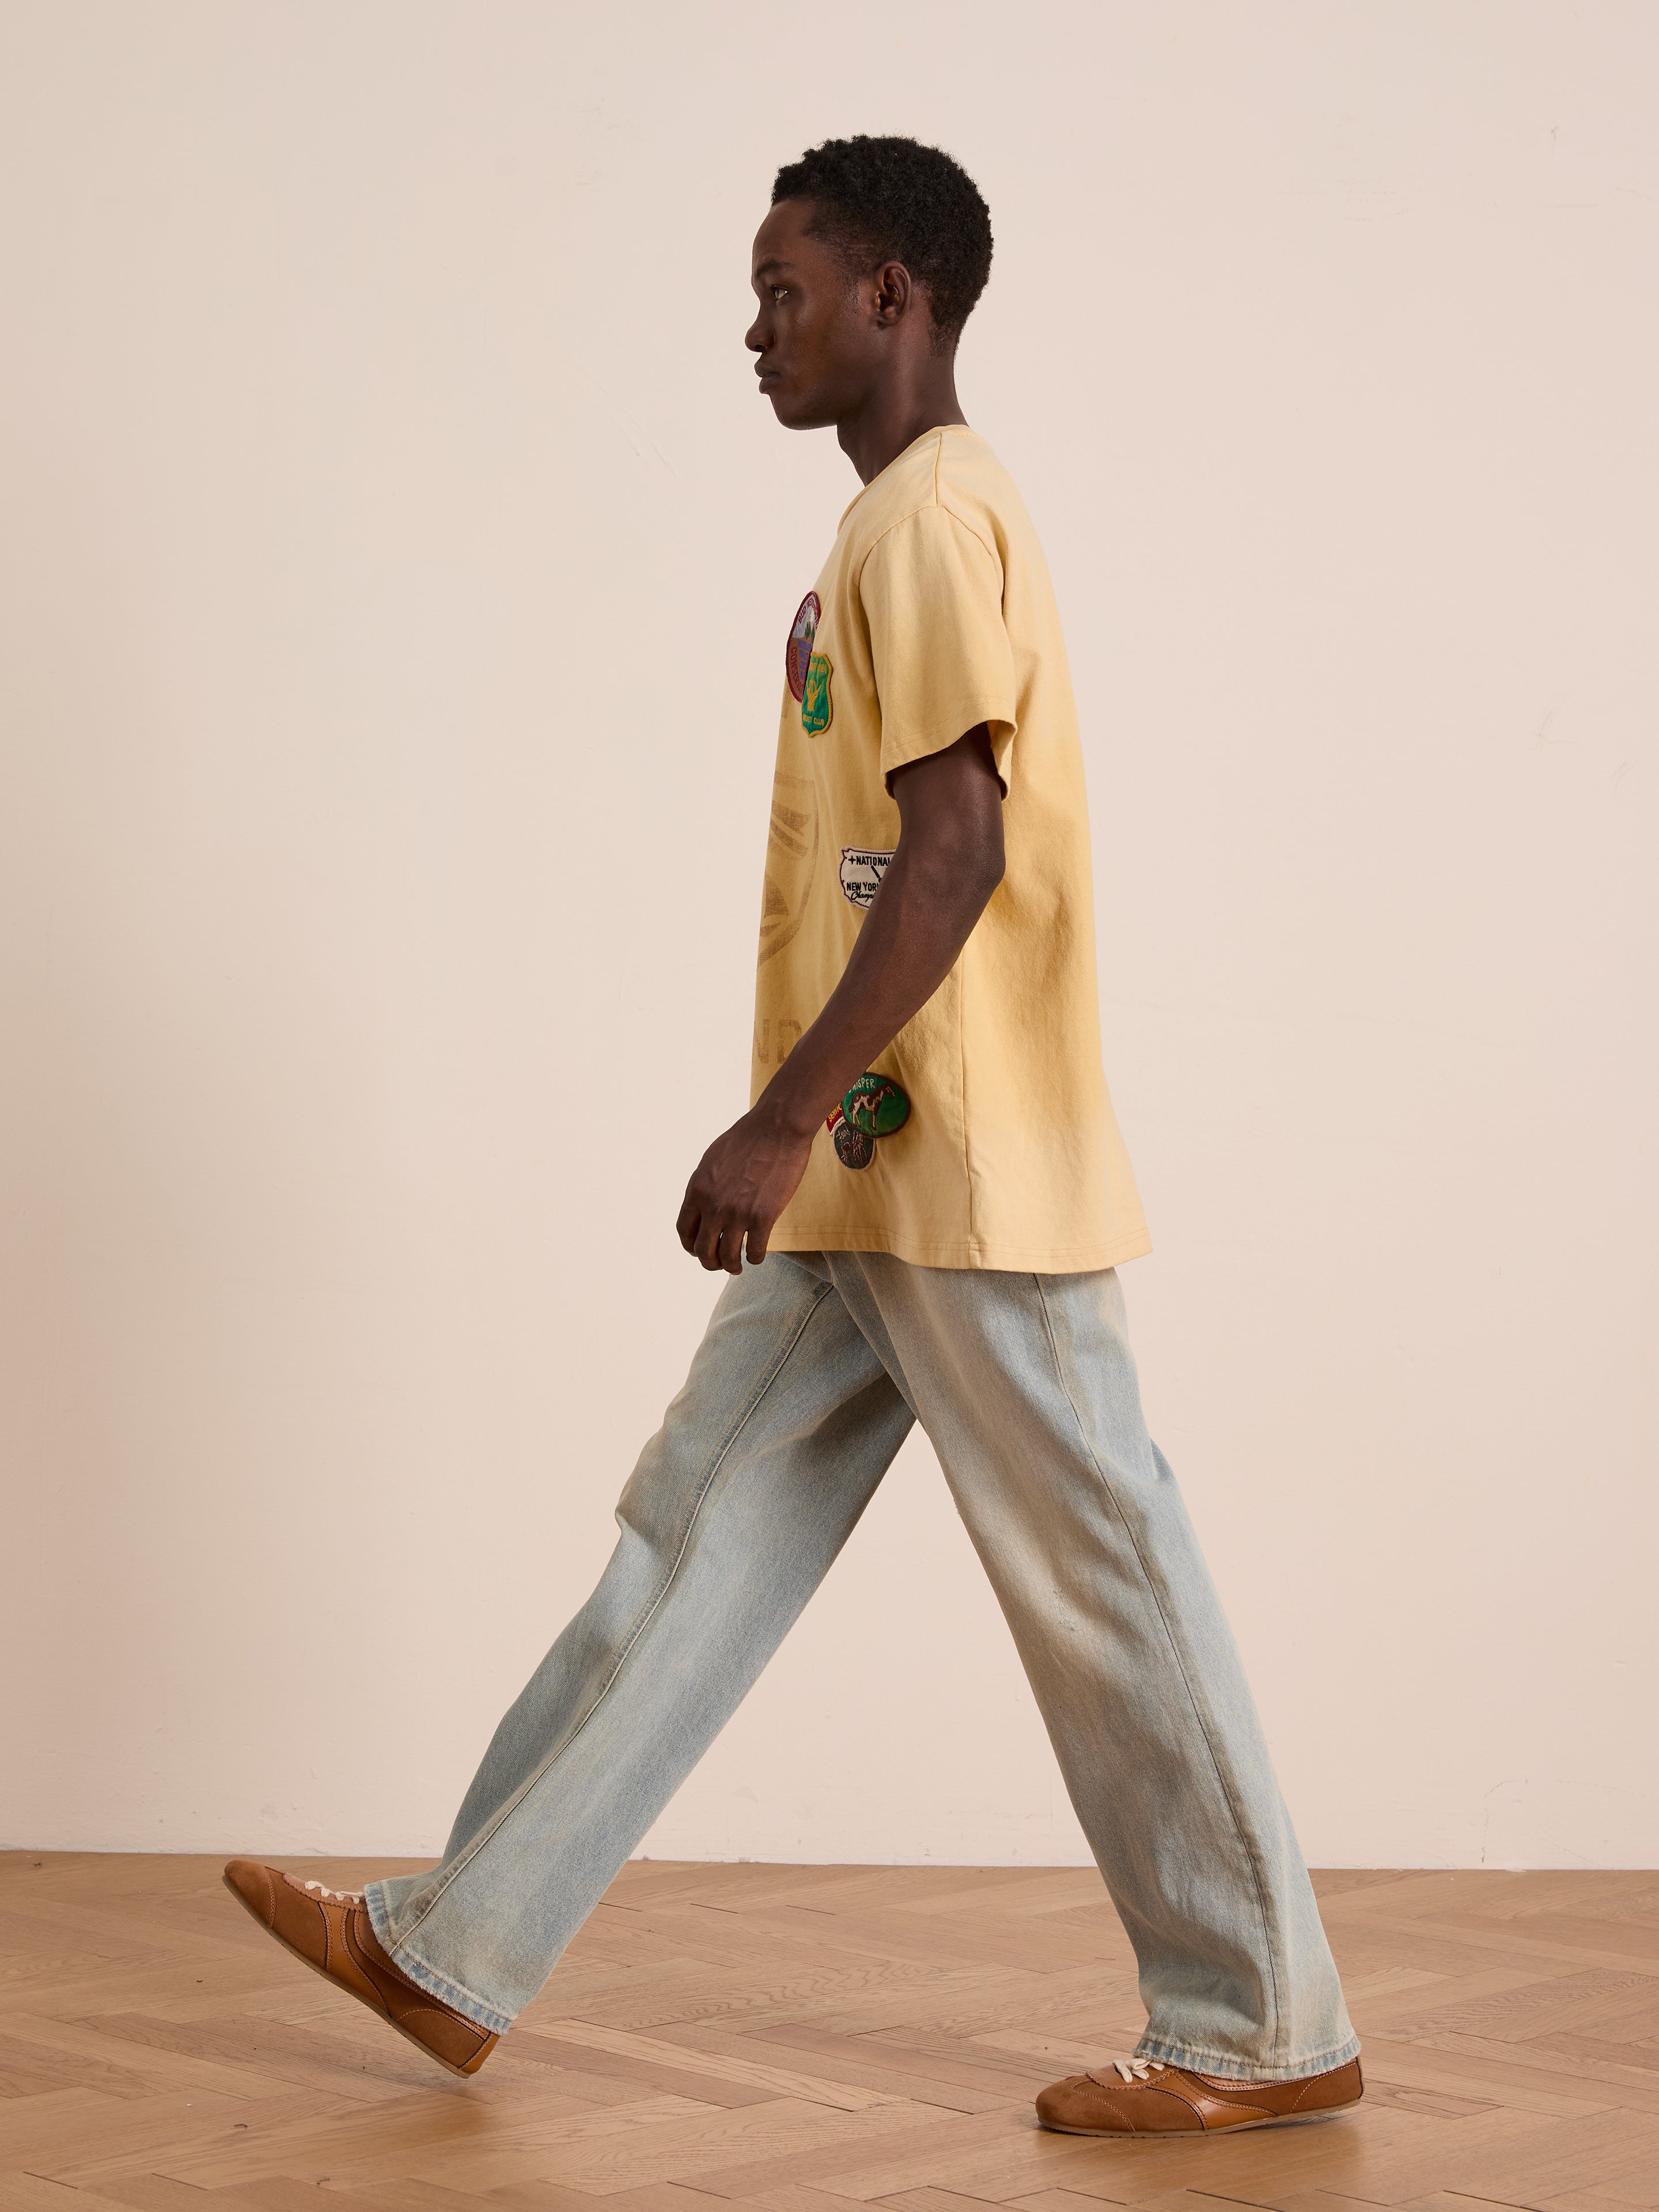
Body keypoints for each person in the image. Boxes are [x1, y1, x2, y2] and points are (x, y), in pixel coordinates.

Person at [225, 134, 1362, 2141]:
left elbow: (951, 853)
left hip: (961, 1170)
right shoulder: (898, 523)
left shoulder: (927, 523)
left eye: (784, 289)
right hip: (881, 1163)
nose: (756, 326)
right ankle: (457, 1939)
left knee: (1107, 1569)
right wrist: (809, 1134)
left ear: (893, 298)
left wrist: (771, 1119)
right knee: (700, 1531)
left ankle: (1265, 2021)